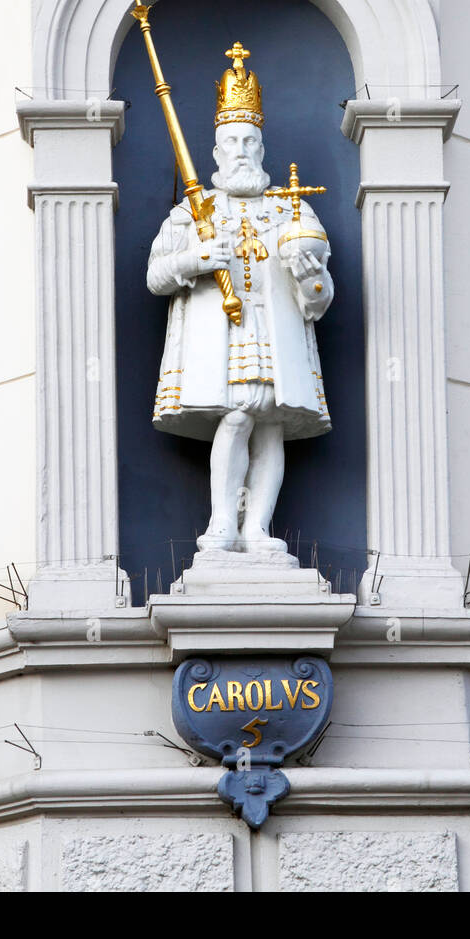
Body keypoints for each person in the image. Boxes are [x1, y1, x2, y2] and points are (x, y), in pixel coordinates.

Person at [147, 42, 333, 556]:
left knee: (270, 425)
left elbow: (319, 297)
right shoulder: (193, 210)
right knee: (236, 417)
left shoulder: (290, 209)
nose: (244, 151)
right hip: (220, 334)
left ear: (263, 148)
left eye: (252, 141)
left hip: (274, 332)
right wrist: (196, 260)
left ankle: (259, 530)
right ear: (215, 152)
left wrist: (309, 274)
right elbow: (156, 275)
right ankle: (223, 522)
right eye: (233, 141)